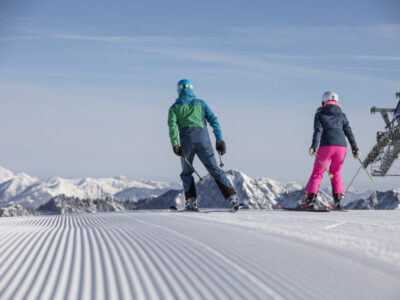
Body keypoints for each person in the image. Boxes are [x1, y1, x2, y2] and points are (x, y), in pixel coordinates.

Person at [168, 79, 240, 211]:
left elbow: (172, 127)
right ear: (191, 89)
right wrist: (219, 139)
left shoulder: (174, 108)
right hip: (204, 141)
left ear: (178, 90)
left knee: (186, 173)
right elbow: (213, 120)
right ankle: (233, 198)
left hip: (186, 143)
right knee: (215, 169)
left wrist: (175, 144)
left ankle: (191, 202)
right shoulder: (201, 104)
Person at [302, 91, 360, 209]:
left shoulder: (319, 114)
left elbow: (318, 131)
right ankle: (337, 201)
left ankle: (310, 200)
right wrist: (355, 148)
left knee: (318, 172)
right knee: (335, 173)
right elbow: (349, 132)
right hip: (341, 148)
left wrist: (314, 146)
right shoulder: (342, 115)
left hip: (326, 146)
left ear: (324, 101)